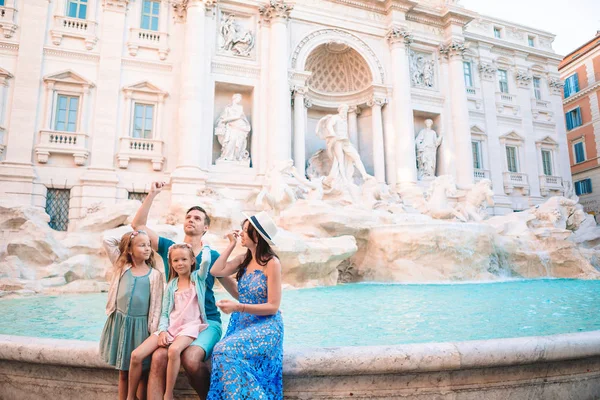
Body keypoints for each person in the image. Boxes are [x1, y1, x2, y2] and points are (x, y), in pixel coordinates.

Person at [131, 182, 239, 399]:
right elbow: (138, 226)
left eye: (197, 218)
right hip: (175, 322)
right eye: (189, 217)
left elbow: (233, 289)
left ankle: (210, 397)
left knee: (190, 359)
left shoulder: (212, 256)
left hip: (207, 321)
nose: (191, 219)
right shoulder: (171, 249)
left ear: (206, 228)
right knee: (159, 357)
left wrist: (263, 308)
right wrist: (152, 193)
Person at [207, 211, 284, 399]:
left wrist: (237, 307)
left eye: (245, 230)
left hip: (267, 326)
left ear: (256, 235)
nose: (240, 233)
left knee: (223, 350)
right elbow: (216, 270)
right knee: (222, 353)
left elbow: (273, 306)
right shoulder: (243, 259)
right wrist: (231, 245)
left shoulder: (272, 263)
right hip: (242, 324)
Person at [127, 243, 211, 400]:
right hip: (171, 326)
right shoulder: (172, 285)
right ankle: (130, 397)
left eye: (184, 259)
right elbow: (165, 312)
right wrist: (163, 330)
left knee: (173, 351)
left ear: (192, 260)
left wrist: (205, 247)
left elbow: (206, 262)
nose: (180, 263)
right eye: (176, 260)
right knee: (136, 356)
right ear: (171, 263)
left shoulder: (197, 279)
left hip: (189, 327)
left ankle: (168, 394)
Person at [99, 230, 165, 400]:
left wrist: (153, 331)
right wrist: (134, 232)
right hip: (120, 325)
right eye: (142, 245)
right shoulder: (121, 267)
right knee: (123, 372)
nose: (147, 248)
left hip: (141, 328)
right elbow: (107, 239)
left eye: (149, 245)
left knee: (142, 374)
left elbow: (157, 306)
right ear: (129, 249)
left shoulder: (155, 275)